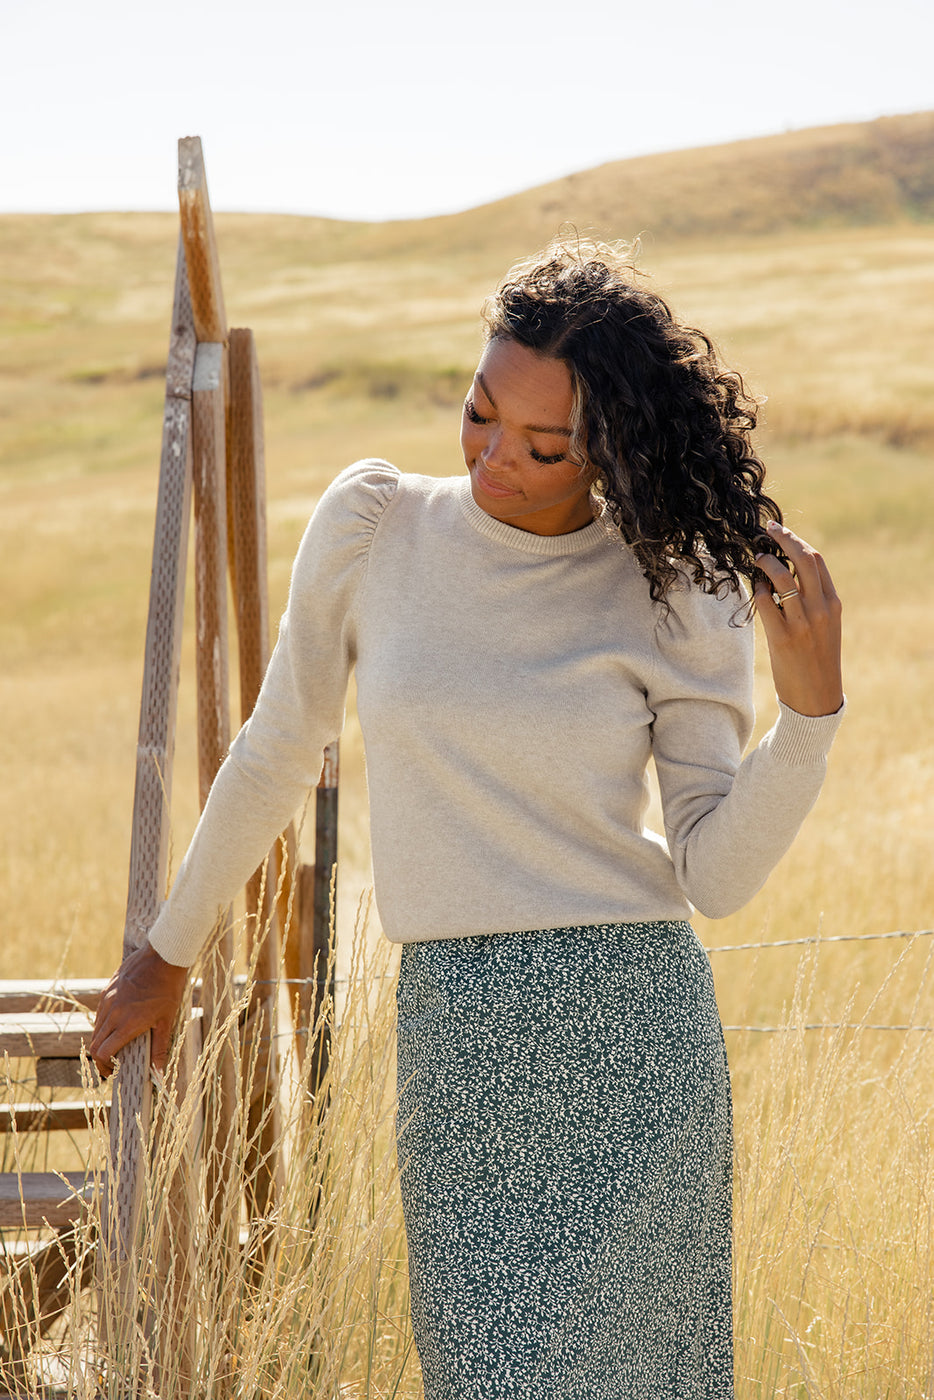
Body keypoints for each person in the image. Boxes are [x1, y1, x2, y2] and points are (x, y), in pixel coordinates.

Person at [91, 238, 844, 1399]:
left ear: (613, 453)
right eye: (480, 413)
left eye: (545, 446)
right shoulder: (374, 525)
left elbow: (713, 870)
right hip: (459, 1031)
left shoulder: (677, 584)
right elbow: (278, 745)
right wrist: (167, 955)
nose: (496, 459)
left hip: (632, 1040)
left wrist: (806, 717)